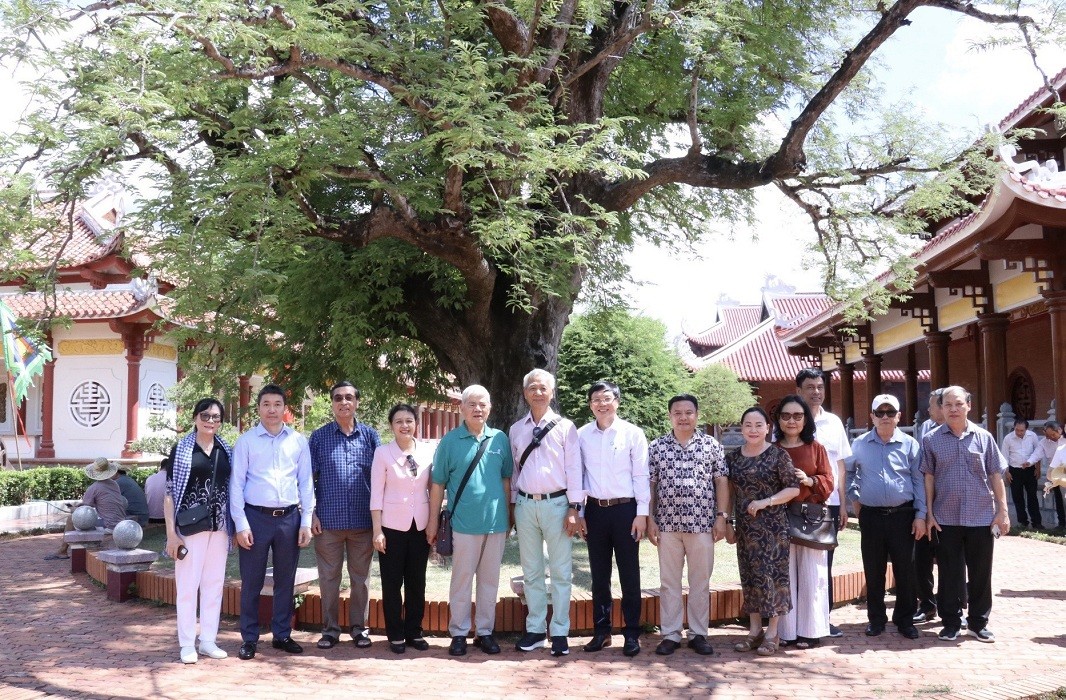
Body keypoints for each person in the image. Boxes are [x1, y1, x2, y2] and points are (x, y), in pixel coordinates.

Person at [427, 385, 513, 657]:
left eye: (483, 404)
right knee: (461, 580)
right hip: (463, 525)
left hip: (496, 524)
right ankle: (459, 633)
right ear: (462, 408)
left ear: (490, 408)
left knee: (490, 581)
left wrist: (510, 517)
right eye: (472, 404)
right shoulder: (450, 441)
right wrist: (432, 522)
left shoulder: (500, 439)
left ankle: (485, 632)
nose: (478, 409)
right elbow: (438, 485)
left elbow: (506, 480)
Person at [230, 384, 314, 661]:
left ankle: (282, 634)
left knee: (284, 580)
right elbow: (236, 484)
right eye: (266, 404)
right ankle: (249, 638)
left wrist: (305, 521)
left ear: (285, 408)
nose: (272, 410)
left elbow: (305, 483)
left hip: (289, 518)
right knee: (251, 581)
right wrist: (241, 524)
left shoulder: (298, 441)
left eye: (277, 404)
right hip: (255, 518)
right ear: (258, 408)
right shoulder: (246, 441)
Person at [921, 386, 1009, 643]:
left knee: (981, 572)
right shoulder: (932, 439)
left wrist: (1001, 510)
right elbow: (929, 477)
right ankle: (950, 623)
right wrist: (929, 512)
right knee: (948, 573)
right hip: (945, 516)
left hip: (981, 516)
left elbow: (995, 474)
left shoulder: (984, 437)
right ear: (940, 408)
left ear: (969, 405)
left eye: (958, 404)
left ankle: (978, 623)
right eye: (947, 404)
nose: (953, 409)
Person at [647, 394, 729, 657]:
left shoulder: (711, 445)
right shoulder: (657, 447)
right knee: (669, 582)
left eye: (688, 412)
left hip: (702, 524)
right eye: (678, 412)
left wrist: (721, 516)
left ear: (697, 415)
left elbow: (721, 482)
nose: (683, 417)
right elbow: (650, 485)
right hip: (668, 525)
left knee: (700, 582)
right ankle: (670, 634)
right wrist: (650, 518)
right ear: (670, 415)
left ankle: (698, 634)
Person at [508, 369, 582, 657]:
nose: (538, 392)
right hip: (526, 505)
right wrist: (514, 508)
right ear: (525, 393)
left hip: (558, 505)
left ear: (552, 393)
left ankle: (561, 631)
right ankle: (536, 629)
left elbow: (574, 469)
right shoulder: (516, 429)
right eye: (533, 388)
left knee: (562, 572)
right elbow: (514, 473)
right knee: (532, 572)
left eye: (543, 388)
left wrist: (575, 508)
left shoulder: (566, 427)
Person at [577, 380, 650, 657]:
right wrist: (581, 512)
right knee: (599, 576)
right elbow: (579, 476)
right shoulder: (582, 435)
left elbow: (641, 475)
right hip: (595, 511)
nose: (601, 403)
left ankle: (632, 633)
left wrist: (641, 514)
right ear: (590, 404)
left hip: (626, 511)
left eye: (606, 398)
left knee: (630, 575)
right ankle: (602, 631)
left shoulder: (632, 434)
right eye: (596, 399)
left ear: (617, 401)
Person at [308, 381, 381, 650]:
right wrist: (312, 513)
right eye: (338, 397)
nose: (343, 402)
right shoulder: (319, 437)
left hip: (363, 523)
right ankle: (329, 630)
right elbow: (307, 480)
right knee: (329, 579)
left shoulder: (371, 437)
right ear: (332, 403)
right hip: (328, 522)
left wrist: (378, 524)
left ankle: (359, 630)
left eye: (349, 397)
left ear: (357, 402)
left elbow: (380, 480)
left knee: (360, 580)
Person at [845, 394, 924, 640]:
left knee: (906, 570)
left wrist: (921, 513)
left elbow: (919, 480)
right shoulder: (858, 444)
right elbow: (847, 474)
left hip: (903, 515)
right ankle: (876, 619)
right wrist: (855, 501)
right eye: (880, 412)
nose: (886, 417)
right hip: (871, 516)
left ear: (899, 416)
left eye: (891, 412)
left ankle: (905, 620)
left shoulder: (911, 444)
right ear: (872, 416)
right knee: (873, 568)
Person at [163, 398, 234, 664]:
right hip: (190, 528)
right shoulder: (181, 450)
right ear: (195, 417)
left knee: (214, 585)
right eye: (205, 415)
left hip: (220, 527)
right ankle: (186, 643)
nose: (210, 421)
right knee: (187, 586)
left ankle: (207, 640)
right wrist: (171, 534)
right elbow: (169, 494)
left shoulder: (225, 450)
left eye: (216, 417)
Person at [727, 406, 800, 657]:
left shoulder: (778, 455)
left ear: (768, 428)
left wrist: (765, 502)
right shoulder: (734, 457)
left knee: (773, 578)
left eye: (759, 425)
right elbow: (730, 492)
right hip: (746, 529)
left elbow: (793, 489)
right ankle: (755, 630)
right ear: (742, 428)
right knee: (750, 577)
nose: (753, 429)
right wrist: (728, 522)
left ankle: (773, 633)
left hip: (773, 528)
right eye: (748, 425)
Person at [370, 403, 434, 654]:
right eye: (399, 421)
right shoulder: (382, 453)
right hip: (391, 527)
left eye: (409, 420)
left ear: (416, 423)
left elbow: (434, 489)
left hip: (420, 526)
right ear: (391, 425)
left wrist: (433, 523)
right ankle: (395, 634)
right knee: (392, 582)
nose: (404, 425)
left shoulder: (428, 452)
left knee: (417, 582)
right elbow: (376, 494)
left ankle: (414, 632)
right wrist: (377, 530)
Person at [795, 368, 851, 637]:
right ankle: (795, 621)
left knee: (824, 563)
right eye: (810, 387)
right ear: (799, 390)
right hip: (794, 503)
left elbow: (839, 464)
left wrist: (843, 501)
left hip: (829, 502)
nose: (816, 392)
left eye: (820, 386)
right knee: (795, 562)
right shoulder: (790, 420)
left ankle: (822, 619)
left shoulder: (834, 423)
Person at [775, 394, 834, 649]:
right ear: (778, 420)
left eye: (797, 416)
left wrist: (809, 481)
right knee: (785, 576)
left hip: (810, 519)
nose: (791, 421)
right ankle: (786, 632)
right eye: (786, 416)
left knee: (812, 576)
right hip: (779, 519)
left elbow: (829, 481)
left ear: (805, 419)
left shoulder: (816, 447)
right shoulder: (773, 449)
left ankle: (811, 631)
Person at [50, 457, 128, 559]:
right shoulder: (114, 484)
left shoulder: (94, 487)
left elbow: (84, 511)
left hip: (108, 526)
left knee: (71, 519)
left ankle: (63, 550)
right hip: (120, 524)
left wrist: (74, 510)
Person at [914, 388, 945, 623]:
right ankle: (927, 604)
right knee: (921, 558)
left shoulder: (967, 432)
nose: (928, 409)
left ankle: (952, 607)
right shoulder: (926, 428)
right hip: (925, 504)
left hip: (948, 508)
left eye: (932, 405)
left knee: (951, 560)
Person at [1000, 418, 1043, 529]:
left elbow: (1037, 452)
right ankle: (1023, 522)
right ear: (1014, 428)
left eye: (1021, 430)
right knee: (1018, 498)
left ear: (1026, 429)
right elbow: (1004, 456)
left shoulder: (1032, 436)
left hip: (1030, 470)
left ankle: (1036, 522)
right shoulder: (1008, 438)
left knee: (1032, 496)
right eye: (1017, 430)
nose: (1019, 432)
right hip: (1015, 471)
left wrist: (1037, 469)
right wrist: (1007, 472)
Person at [1027, 421, 1066, 532]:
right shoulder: (1044, 442)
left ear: (1059, 430)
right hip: (1056, 475)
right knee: (1059, 499)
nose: (1051, 438)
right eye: (1048, 435)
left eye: (1053, 435)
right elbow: (1037, 454)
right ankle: (1062, 524)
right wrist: (1029, 462)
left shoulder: (1064, 440)